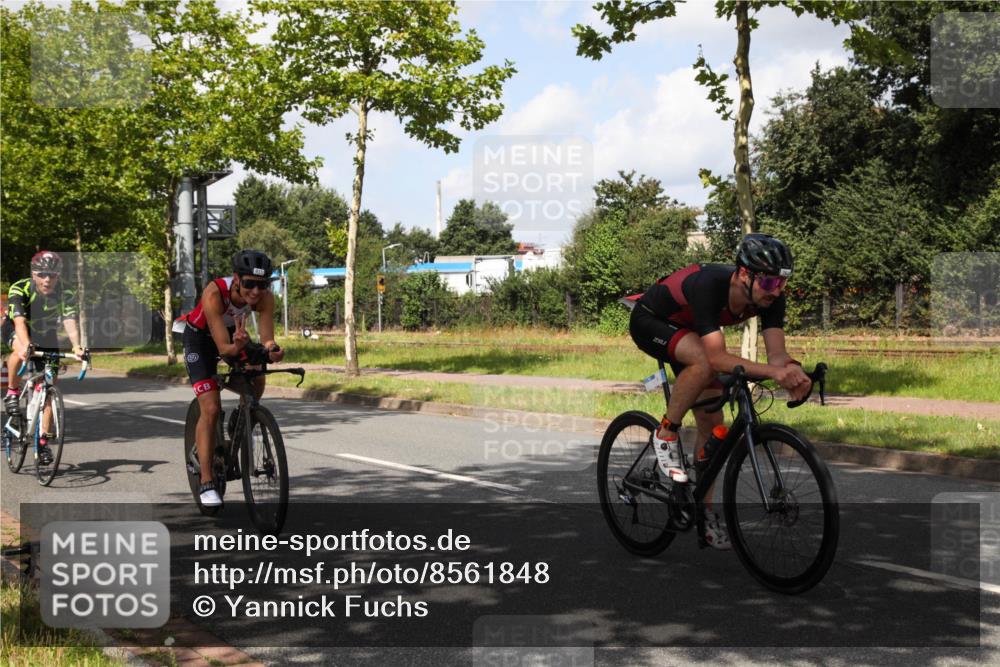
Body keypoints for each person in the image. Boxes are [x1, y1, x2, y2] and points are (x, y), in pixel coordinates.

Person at [628, 233, 812, 549]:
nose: (777, 291)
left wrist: (792, 369)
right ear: (743, 274)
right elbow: (714, 357)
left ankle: (704, 512)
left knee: (712, 428)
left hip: (689, 333)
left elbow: (777, 355)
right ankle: (666, 432)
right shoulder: (708, 284)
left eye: (782, 284)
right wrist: (772, 373)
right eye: (769, 283)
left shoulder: (770, 298)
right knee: (704, 361)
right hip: (652, 321)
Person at [174, 249, 284, 507]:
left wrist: (272, 351)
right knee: (211, 408)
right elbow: (224, 349)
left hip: (235, 334)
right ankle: (207, 481)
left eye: (262, 285)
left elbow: (267, 338)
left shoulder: (265, 298)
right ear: (236, 279)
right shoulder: (214, 294)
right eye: (249, 284)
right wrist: (237, 348)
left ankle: (241, 416)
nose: (255, 292)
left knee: (256, 379)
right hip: (201, 340)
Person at [2, 251, 85, 464]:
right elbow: (19, 322)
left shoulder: (65, 291)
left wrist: (77, 346)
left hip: (45, 333)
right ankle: (12, 391)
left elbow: (69, 320)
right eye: (42, 274)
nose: (47, 279)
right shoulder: (20, 288)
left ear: (58, 275)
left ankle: (42, 443)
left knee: (47, 389)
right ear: (33, 274)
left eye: (52, 275)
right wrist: (26, 344)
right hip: (17, 327)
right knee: (20, 349)